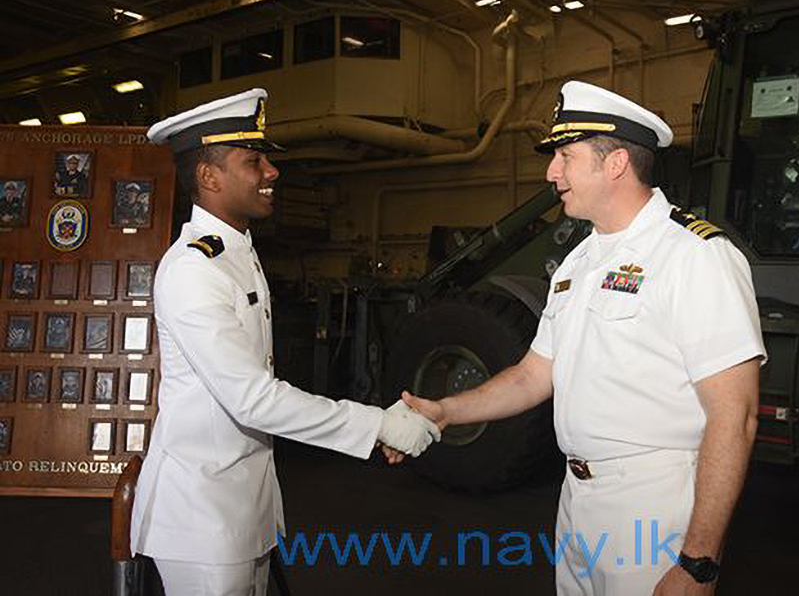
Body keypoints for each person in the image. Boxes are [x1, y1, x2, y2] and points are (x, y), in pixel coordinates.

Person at [400, 80, 766, 595]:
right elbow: (533, 374)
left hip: (654, 506)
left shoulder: (694, 256)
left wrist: (699, 562)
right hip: (577, 501)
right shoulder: (580, 260)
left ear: (614, 163)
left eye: (565, 156)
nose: (552, 172)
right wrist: (446, 411)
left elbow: (737, 416)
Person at [132, 88, 440, 596]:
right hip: (202, 517)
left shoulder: (236, 252)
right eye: (253, 161)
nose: (271, 171)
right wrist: (377, 423)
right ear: (209, 177)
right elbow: (252, 398)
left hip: (242, 506)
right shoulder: (194, 268)